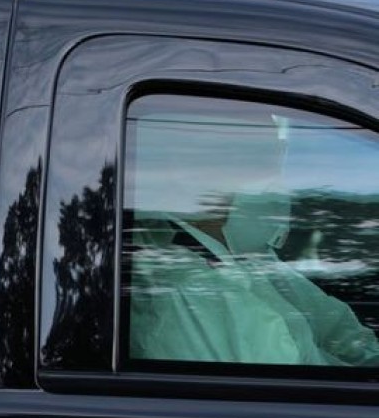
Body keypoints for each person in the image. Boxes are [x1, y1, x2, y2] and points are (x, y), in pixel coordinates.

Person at [127, 100, 379, 366]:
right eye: (261, 157)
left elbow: (345, 334)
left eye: (277, 154)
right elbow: (303, 398)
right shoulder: (188, 291)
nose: (276, 176)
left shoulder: (251, 260)